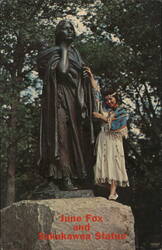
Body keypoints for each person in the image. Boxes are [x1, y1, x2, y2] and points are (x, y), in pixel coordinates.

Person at [37, 20, 94, 190]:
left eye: (72, 29)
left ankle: (76, 175)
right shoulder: (52, 53)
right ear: (58, 33)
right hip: (57, 99)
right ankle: (64, 176)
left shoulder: (76, 54)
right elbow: (62, 71)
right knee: (59, 136)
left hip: (75, 101)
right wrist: (63, 49)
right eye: (65, 29)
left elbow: (80, 76)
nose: (70, 31)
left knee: (74, 138)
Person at [84, 67, 129, 200]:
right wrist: (91, 77)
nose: (109, 101)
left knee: (113, 162)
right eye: (107, 99)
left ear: (116, 98)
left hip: (114, 139)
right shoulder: (103, 108)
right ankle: (111, 190)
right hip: (103, 138)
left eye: (111, 99)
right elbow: (96, 92)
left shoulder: (121, 111)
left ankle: (113, 191)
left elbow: (117, 125)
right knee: (104, 162)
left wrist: (101, 117)